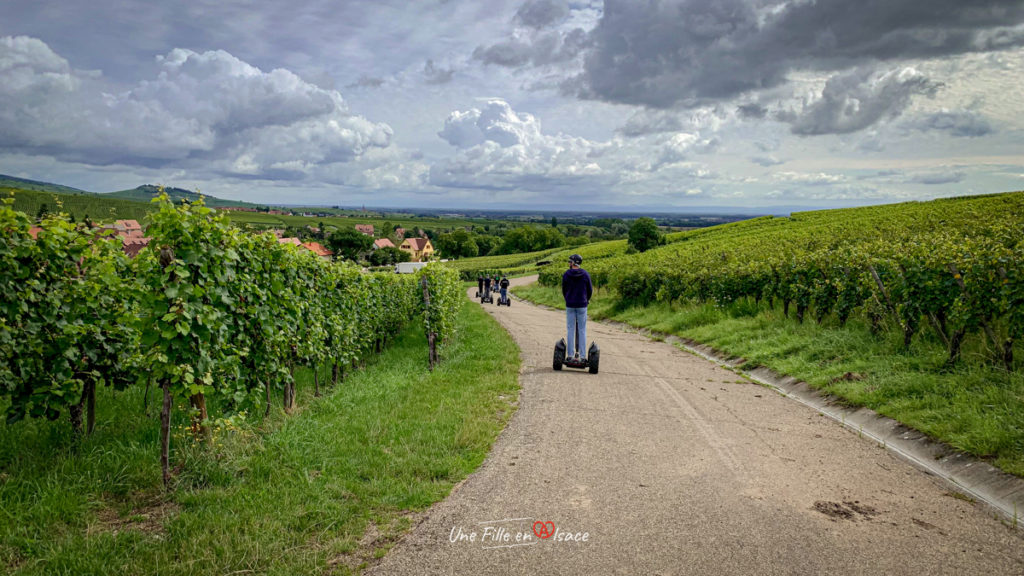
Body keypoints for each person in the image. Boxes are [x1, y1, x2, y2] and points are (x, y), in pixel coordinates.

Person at [562, 254, 593, 360]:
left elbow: (564, 289)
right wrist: (586, 299)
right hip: (582, 305)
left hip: (570, 305)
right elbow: (590, 290)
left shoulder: (566, 274)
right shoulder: (585, 274)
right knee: (582, 330)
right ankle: (583, 356)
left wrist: (567, 299)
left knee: (570, 329)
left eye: (570, 262)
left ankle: (570, 355)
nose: (569, 263)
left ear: (574, 263)